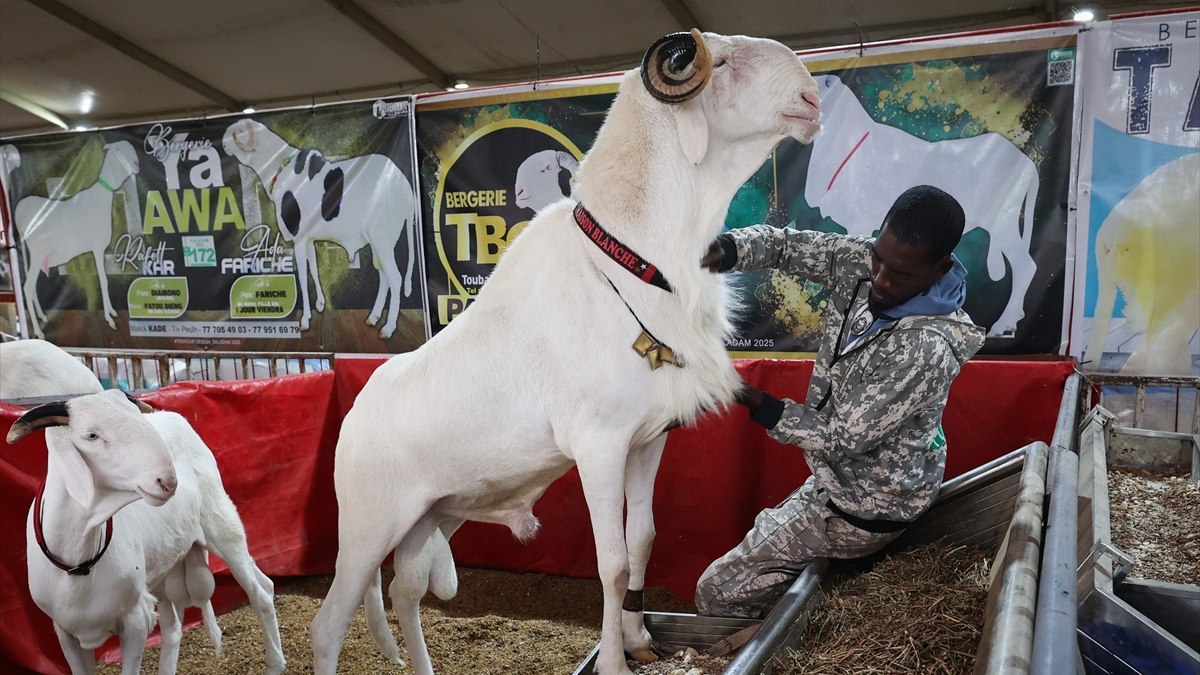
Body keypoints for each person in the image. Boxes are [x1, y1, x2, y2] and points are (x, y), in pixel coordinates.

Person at [694, 184, 986, 619]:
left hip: (864, 507)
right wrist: (731, 249)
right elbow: (785, 247)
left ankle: (782, 643)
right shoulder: (869, 261)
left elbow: (843, 438)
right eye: (878, 259)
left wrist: (752, 399)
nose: (880, 281)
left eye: (900, 274)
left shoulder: (924, 348)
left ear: (940, 267)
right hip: (838, 481)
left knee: (716, 593)